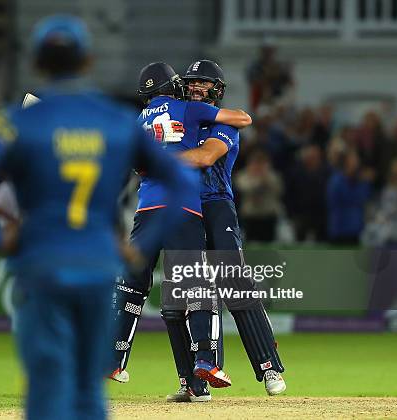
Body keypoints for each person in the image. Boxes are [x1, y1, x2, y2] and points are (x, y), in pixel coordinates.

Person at [0, 15, 194, 420]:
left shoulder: (14, 120)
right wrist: (143, 249)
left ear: (38, 62)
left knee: (47, 386)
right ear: (88, 61)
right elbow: (184, 183)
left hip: (41, 264)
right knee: (88, 391)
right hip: (99, 265)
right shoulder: (119, 120)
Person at [109, 61, 252, 403]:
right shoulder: (188, 107)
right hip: (182, 209)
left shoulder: (139, 120)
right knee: (197, 285)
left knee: (132, 283)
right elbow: (241, 118)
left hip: (145, 210)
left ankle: (113, 359)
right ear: (172, 86)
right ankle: (206, 360)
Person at [173, 59, 286, 395]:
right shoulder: (180, 119)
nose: (194, 88)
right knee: (186, 291)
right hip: (183, 207)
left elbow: (205, 157)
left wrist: (155, 159)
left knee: (234, 283)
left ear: (217, 90)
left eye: (202, 83)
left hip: (216, 205)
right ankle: (195, 381)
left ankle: (270, 369)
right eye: (191, 82)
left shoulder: (225, 127)